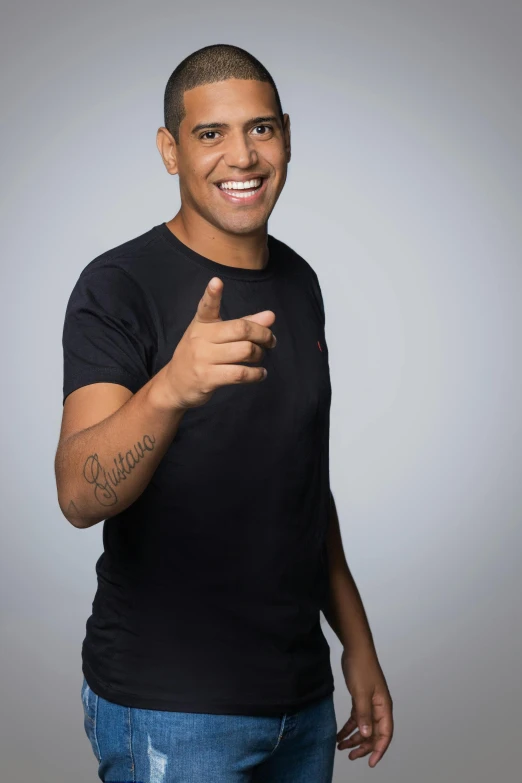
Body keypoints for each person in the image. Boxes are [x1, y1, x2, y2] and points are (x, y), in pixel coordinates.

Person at [55, 43, 394, 782]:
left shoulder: (299, 280)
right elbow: (79, 494)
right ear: (170, 150)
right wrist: (170, 388)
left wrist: (357, 644)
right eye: (210, 134)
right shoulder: (117, 287)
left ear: (287, 137)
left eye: (261, 129)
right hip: (173, 710)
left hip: (301, 707)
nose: (241, 155)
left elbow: (304, 486)